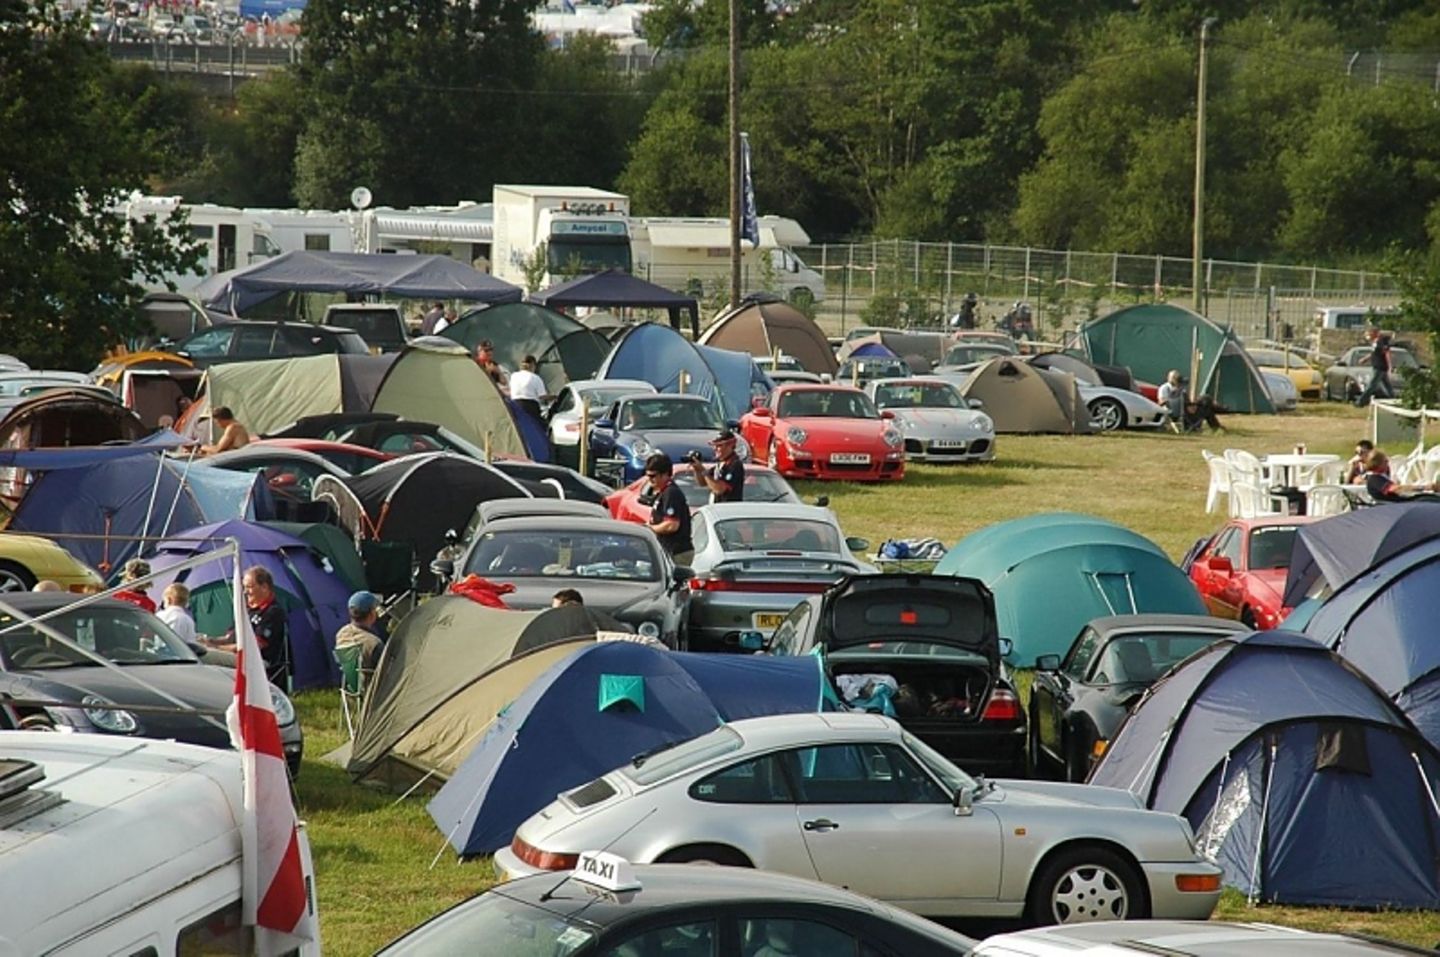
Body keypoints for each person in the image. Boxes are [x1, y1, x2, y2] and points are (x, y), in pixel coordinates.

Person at [201, 566, 290, 687]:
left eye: (249, 587)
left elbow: (253, 647)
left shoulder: (273, 612)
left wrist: (216, 647)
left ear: (264, 587)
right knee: (196, 648)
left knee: (204, 655)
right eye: (244, 587)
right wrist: (207, 640)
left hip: (256, 661)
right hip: (239, 656)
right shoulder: (247, 610)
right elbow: (229, 638)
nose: (245, 591)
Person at [644, 453, 693, 563]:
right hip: (668, 550)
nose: (649, 480)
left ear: (665, 474)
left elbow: (672, 525)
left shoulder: (671, 493)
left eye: (653, 476)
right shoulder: (663, 492)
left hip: (677, 552)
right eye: (648, 476)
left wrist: (648, 528)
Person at [334, 590, 384, 679]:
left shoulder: (341, 634)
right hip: (373, 690)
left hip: (351, 688)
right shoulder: (374, 644)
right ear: (372, 613)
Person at [1361, 450, 1440, 503]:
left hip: (1402, 502)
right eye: (1385, 461)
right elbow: (1396, 488)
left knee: (1429, 498)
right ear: (1377, 464)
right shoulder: (1375, 479)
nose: (1387, 462)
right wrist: (1424, 487)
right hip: (1398, 505)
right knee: (1430, 500)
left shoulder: (1379, 477)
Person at [690, 429, 745, 503]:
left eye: (719, 445)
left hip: (727, 510)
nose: (715, 449)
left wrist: (703, 471)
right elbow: (702, 482)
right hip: (717, 508)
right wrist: (697, 469)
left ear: (730, 445)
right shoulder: (720, 464)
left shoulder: (735, 465)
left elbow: (719, 489)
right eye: (714, 445)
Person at [1355, 328, 1395, 407]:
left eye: (1369, 334)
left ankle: (1360, 402)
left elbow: (1387, 353)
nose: (1368, 336)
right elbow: (1374, 353)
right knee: (1387, 386)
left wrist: (1390, 366)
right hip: (1377, 366)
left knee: (1372, 385)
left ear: (1375, 333)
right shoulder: (1375, 342)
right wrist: (1365, 359)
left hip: (1380, 367)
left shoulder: (1381, 341)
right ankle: (1393, 400)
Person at [508, 355, 548, 421]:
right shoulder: (535, 378)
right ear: (532, 365)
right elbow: (542, 396)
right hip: (530, 406)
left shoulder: (513, 376)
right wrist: (555, 397)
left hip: (515, 405)